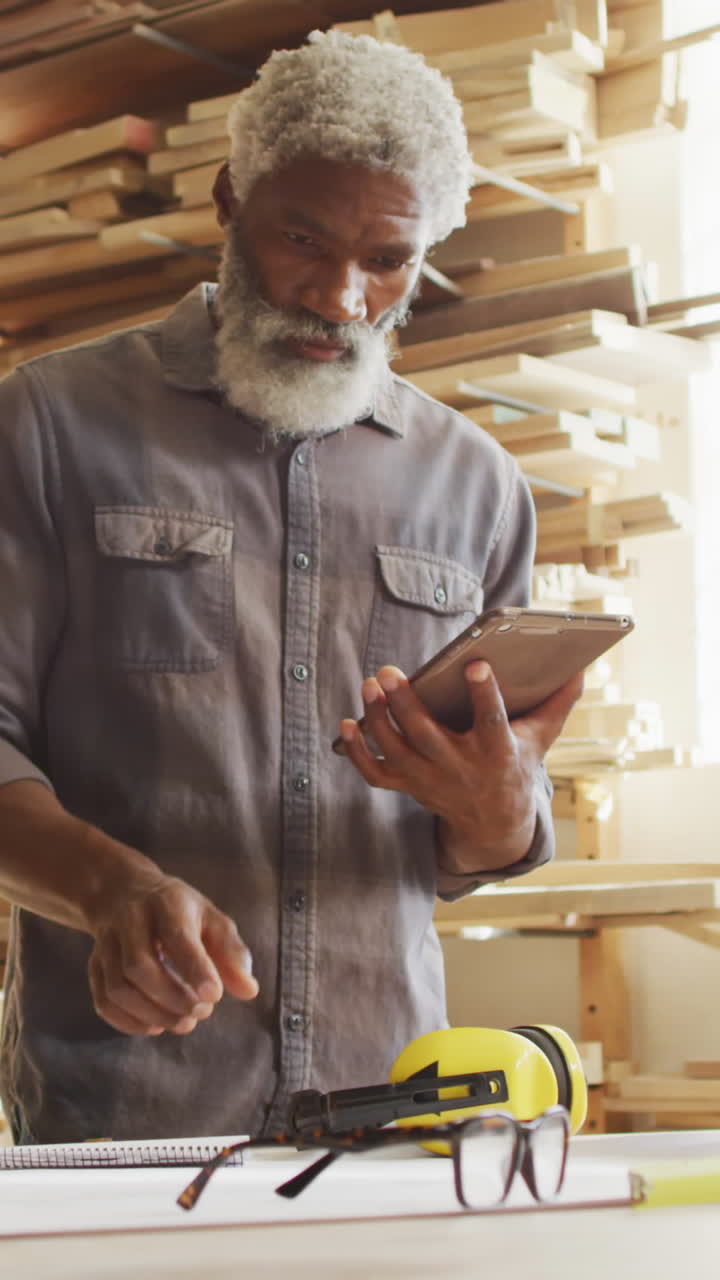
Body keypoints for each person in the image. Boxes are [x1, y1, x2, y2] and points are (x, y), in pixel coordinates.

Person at [0, 30, 581, 1145]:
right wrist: (108, 887)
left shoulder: (482, 490)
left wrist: (504, 819)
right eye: (302, 237)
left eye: (388, 259)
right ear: (231, 198)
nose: (341, 296)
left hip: (396, 1120)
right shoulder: (49, 428)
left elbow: (471, 843)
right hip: (125, 1126)